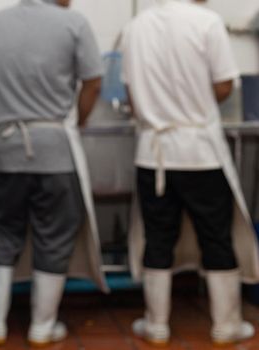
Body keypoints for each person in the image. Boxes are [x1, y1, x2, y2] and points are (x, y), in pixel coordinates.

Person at [121, 0, 259, 346]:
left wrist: (160, 108)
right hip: (201, 153)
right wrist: (193, 102)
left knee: (158, 236)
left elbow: (130, 93)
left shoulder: (136, 27)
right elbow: (225, 84)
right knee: (215, 235)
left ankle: (156, 325)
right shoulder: (207, 22)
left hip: (154, 154)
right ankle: (226, 325)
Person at [0, 0, 108, 346]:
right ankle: (42, 327)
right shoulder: (73, 24)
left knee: (1, 234)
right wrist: (79, 121)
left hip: (2, 151)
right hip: (54, 151)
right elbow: (94, 82)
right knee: (54, 236)